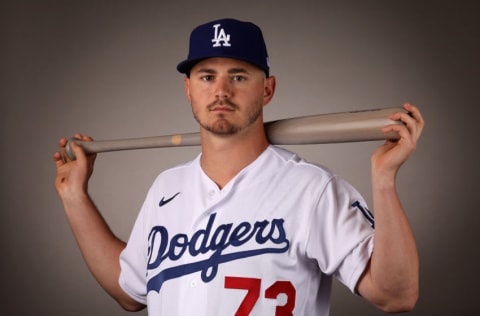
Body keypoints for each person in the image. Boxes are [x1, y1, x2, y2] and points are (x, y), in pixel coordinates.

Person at [53, 18, 424, 315]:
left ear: (267, 89)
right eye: (207, 76)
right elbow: (130, 291)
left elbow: (395, 295)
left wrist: (384, 178)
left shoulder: (313, 190)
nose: (221, 91)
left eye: (239, 76)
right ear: (189, 89)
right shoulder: (166, 187)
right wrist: (74, 198)